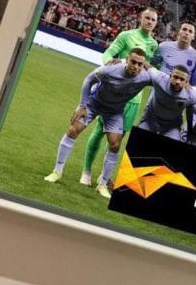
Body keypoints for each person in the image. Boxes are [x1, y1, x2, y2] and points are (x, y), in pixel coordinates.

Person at [44, 48, 151, 199]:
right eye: (133, 62)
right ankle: (57, 172)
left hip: (114, 111)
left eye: (140, 64)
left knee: (115, 144)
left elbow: (165, 81)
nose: (136, 66)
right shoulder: (110, 69)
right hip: (94, 103)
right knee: (73, 130)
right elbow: (88, 80)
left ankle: (102, 185)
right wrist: (82, 106)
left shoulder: (145, 77)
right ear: (127, 59)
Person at [79, 7, 159, 186]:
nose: (149, 22)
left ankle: (104, 177)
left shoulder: (155, 45)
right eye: (147, 18)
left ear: (156, 23)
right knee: (99, 131)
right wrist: (112, 64)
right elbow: (108, 53)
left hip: (134, 99)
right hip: (114, 94)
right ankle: (86, 171)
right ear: (141, 18)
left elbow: (153, 69)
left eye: (153, 20)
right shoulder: (126, 35)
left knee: (116, 141)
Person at [138, 64, 196, 139]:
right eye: (175, 77)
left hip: (171, 126)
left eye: (182, 79)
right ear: (170, 76)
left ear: (186, 82)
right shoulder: (159, 79)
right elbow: (147, 66)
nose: (178, 81)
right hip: (150, 120)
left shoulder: (191, 94)